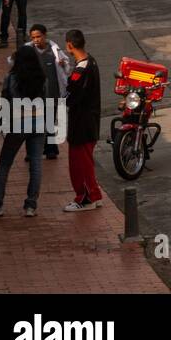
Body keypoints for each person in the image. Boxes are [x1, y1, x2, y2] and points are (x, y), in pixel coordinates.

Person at [0, 46, 49, 218]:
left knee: (4, 164)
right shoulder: (42, 78)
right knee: (36, 165)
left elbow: (5, 100)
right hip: (39, 123)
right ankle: (31, 206)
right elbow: (47, 100)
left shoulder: (11, 78)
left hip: (18, 123)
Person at [62, 29, 103, 212]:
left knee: (80, 163)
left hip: (81, 123)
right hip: (90, 121)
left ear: (70, 45)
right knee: (86, 160)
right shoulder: (91, 61)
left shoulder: (81, 70)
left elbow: (71, 96)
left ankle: (86, 198)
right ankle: (94, 194)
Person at [26, 25, 71, 160]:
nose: (36, 40)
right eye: (33, 37)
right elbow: (13, 62)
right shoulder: (28, 51)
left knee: (50, 122)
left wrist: (64, 64)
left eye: (38, 36)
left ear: (45, 35)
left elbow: (66, 66)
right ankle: (32, 152)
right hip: (33, 95)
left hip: (52, 93)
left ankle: (51, 149)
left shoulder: (54, 51)